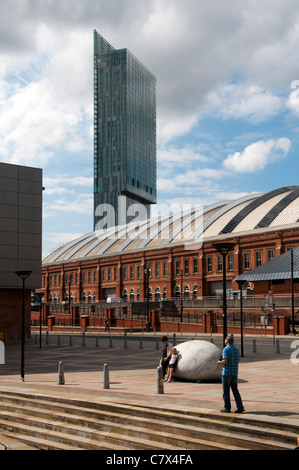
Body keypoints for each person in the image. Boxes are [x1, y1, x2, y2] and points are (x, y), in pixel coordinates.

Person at [217, 335, 245, 413]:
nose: (224, 341)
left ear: (227, 341)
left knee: (226, 392)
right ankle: (240, 407)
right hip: (234, 372)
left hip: (226, 373)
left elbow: (225, 361)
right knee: (235, 391)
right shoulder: (236, 349)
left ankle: (227, 408)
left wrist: (219, 362)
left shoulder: (226, 349)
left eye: (225, 340)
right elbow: (238, 359)